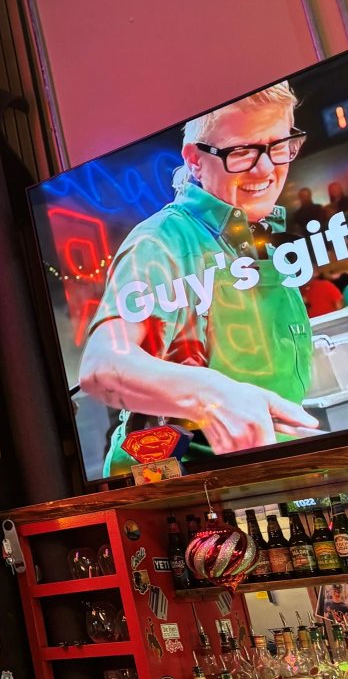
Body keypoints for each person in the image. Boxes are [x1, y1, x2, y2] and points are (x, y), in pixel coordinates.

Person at [79, 82, 320, 477]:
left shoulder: (259, 235)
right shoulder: (162, 240)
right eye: (242, 151)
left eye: (279, 146)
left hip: (262, 475)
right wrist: (211, 396)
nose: (266, 169)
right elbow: (102, 365)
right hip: (181, 494)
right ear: (194, 160)